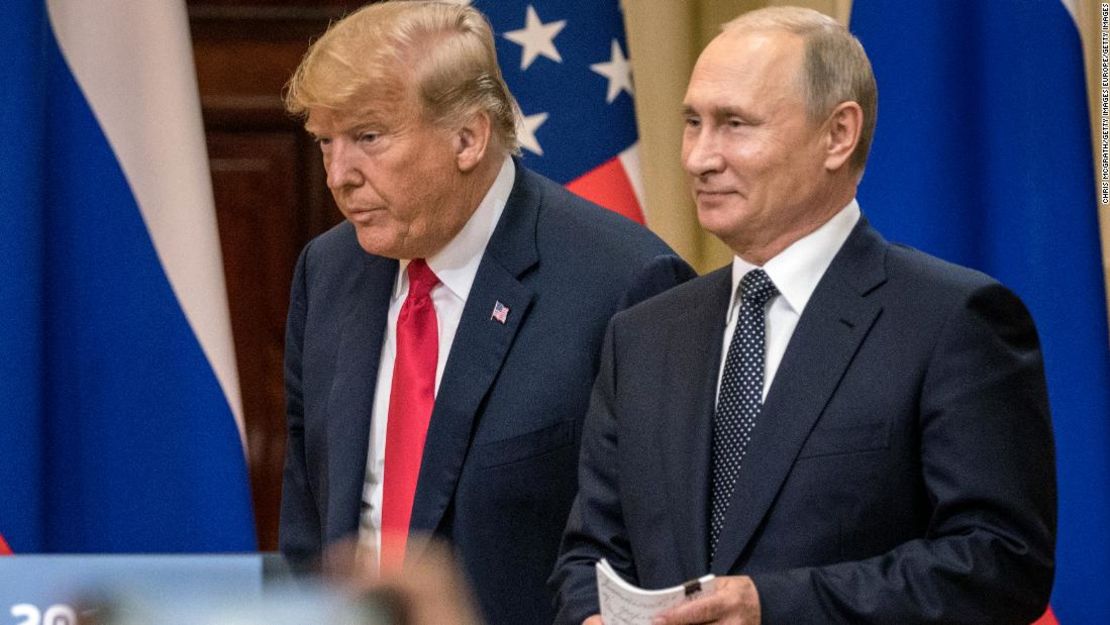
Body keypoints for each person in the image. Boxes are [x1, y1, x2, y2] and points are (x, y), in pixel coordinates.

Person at [550, 7, 1056, 625]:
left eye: (734, 124)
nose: (699, 158)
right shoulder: (644, 334)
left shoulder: (953, 322)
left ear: (838, 135)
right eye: (692, 123)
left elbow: (999, 564)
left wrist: (774, 606)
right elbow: (590, 555)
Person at [277, 3, 694, 625]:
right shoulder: (328, 269)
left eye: (367, 137)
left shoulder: (626, 283)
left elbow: (656, 548)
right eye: (325, 143)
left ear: (468, 138)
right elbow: (309, 520)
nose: (339, 176)